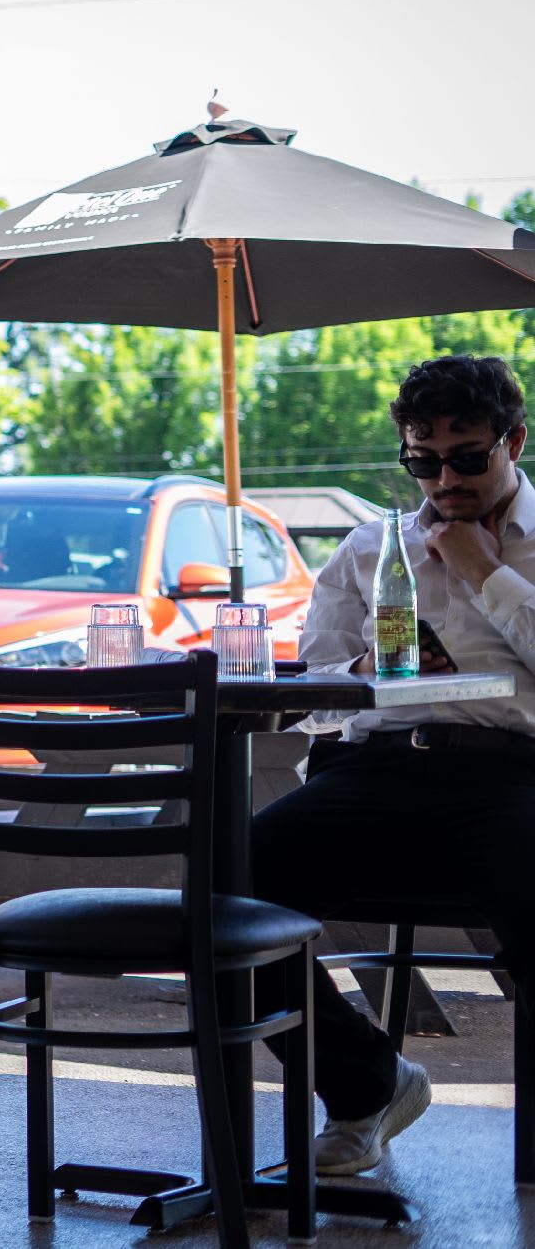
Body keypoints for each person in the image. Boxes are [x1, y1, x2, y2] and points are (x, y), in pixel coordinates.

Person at [253, 354, 535, 1174]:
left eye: (467, 456)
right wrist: (368, 674)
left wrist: (487, 575)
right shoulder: (375, 544)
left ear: (514, 441)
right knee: (224, 896)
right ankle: (366, 1083)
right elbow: (318, 689)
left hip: (509, 770)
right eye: (423, 459)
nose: (443, 478)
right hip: (375, 770)